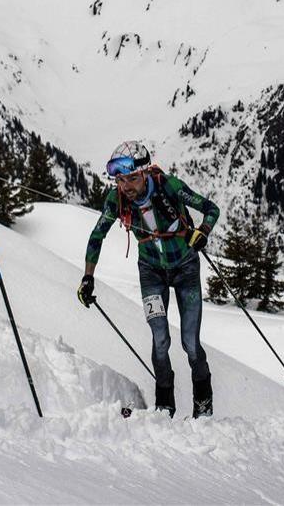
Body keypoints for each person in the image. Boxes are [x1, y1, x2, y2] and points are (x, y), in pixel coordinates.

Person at [78, 141, 220, 418]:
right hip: (151, 271)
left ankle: (203, 403)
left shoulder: (171, 187)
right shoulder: (115, 200)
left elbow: (211, 208)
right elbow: (97, 235)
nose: (125, 186)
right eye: (120, 180)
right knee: (160, 339)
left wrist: (202, 230)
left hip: (186, 267)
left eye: (131, 178)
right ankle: (164, 406)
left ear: (144, 173)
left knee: (190, 342)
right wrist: (87, 277)